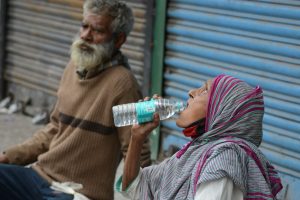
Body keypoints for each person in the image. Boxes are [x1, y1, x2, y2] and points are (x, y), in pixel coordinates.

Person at [0, 0, 151, 199]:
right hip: (41, 177)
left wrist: (150, 191)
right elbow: (53, 129)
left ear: (118, 40)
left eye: (97, 30)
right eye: (84, 26)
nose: (86, 36)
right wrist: (8, 156)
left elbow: (137, 151)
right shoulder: (74, 67)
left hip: (78, 193)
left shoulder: (124, 84)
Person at [116, 74, 283, 200]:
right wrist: (137, 138)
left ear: (222, 109)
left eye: (205, 91)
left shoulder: (225, 158)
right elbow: (133, 189)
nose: (191, 92)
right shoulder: (194, 153)